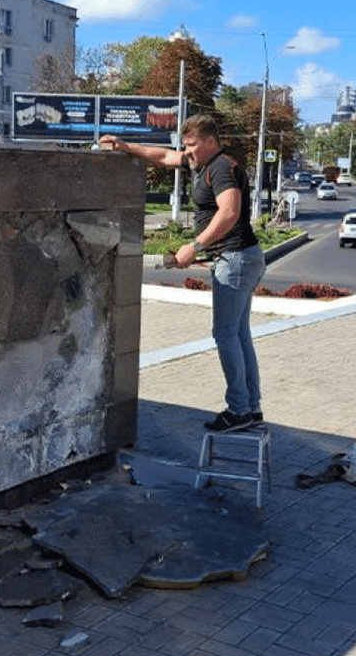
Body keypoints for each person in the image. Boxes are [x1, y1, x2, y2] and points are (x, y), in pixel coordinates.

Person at [101, 115, 266, 432]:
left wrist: (195, 245)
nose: (187, 152)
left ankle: (239, 409)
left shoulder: (221, 167)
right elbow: (163, 156)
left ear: (210, 141)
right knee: (239, 335)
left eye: (192, 145)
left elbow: (229, 212)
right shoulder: (199, 163)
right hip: (239, 258)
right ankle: (251, 407)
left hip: (236, 259)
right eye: (185, 145)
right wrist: (124, 146)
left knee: (226, 335)